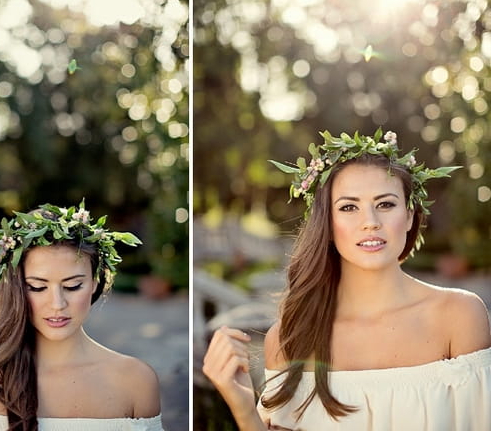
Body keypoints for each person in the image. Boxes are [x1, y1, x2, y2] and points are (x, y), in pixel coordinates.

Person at [202, 129, 491, 430]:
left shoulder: (459, 316)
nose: (370, 222)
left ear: (408, 216)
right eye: (349, 207)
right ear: (326, 223)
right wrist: (243, 407)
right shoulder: (289, 340)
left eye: (385, 204)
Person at [0, 200, 163, 431]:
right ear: (16, 287)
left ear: (94, 282)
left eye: (72, 286)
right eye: (37, 287)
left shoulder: (136, 382)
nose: (57, 304)